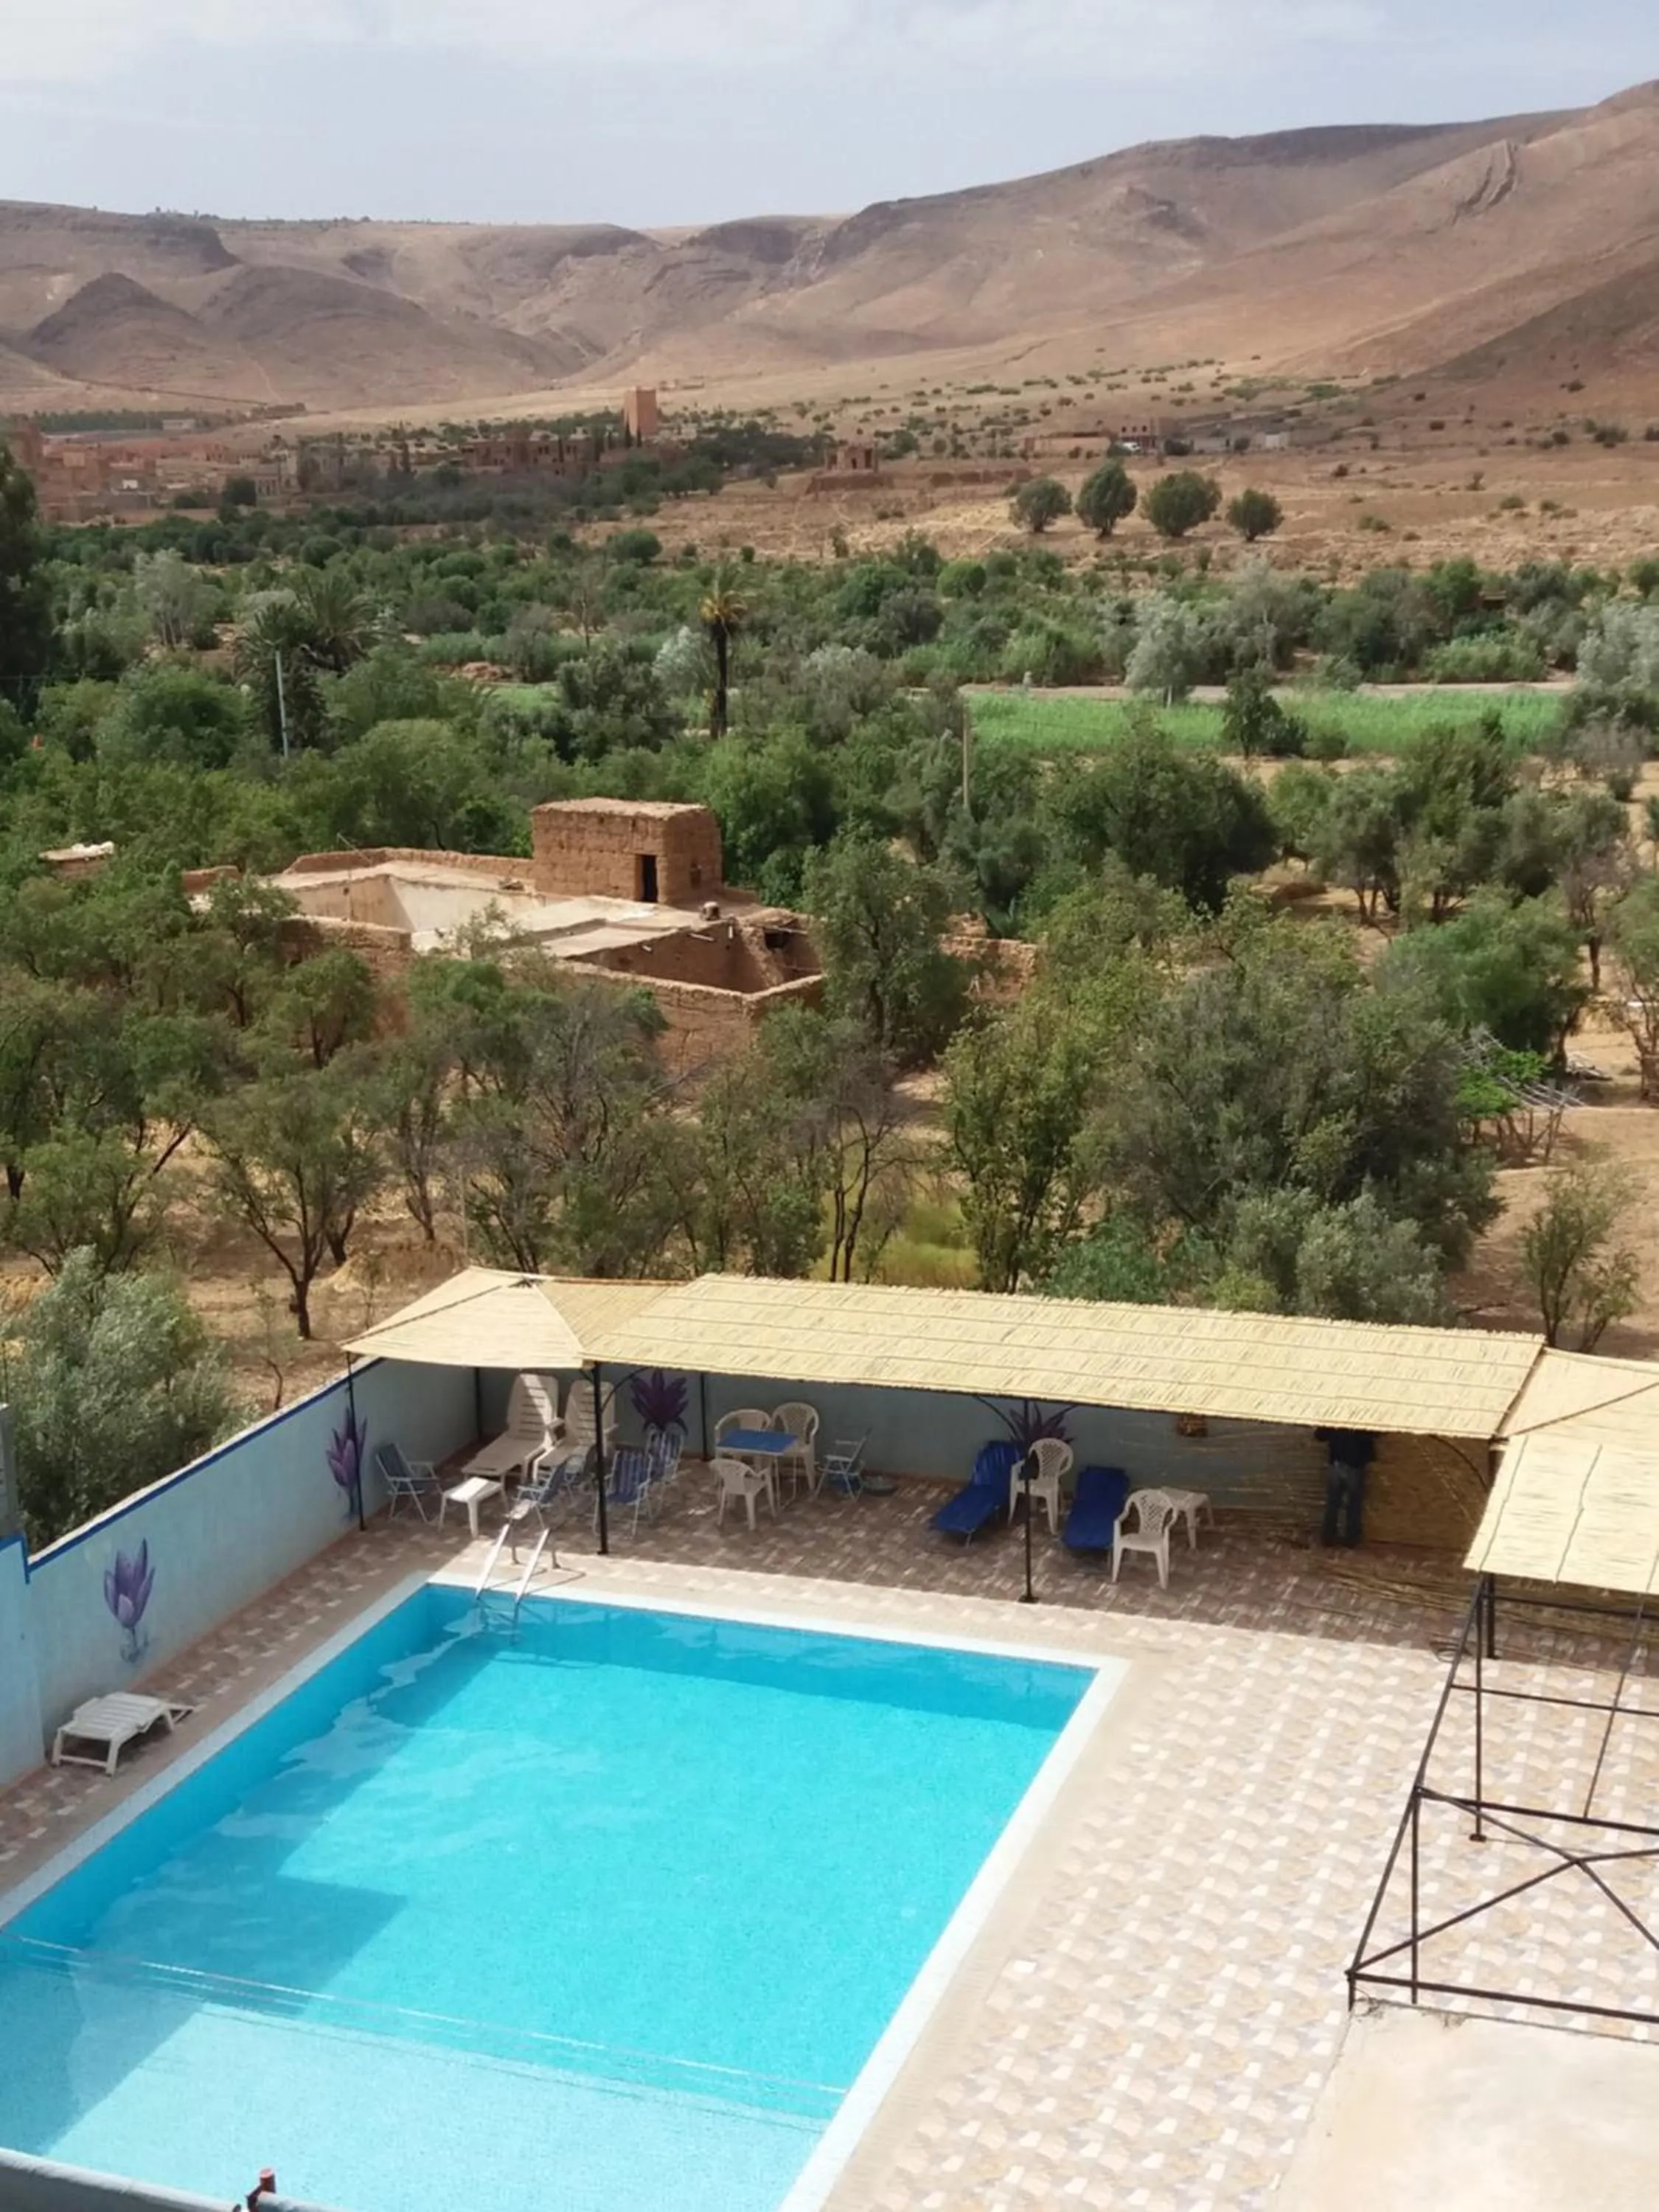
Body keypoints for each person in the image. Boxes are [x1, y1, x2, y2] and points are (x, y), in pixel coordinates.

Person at [1314, 1427, 1376, 1548]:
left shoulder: (1336, 1418)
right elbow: (1375, 1434)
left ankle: (1328, 1537)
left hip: (1337, 1462)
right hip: (1355, 1464)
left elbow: (1320, 1435)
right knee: (1354, 1504)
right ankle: (1351, 1539)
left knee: (1333, 1502)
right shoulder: (1363, 1420)